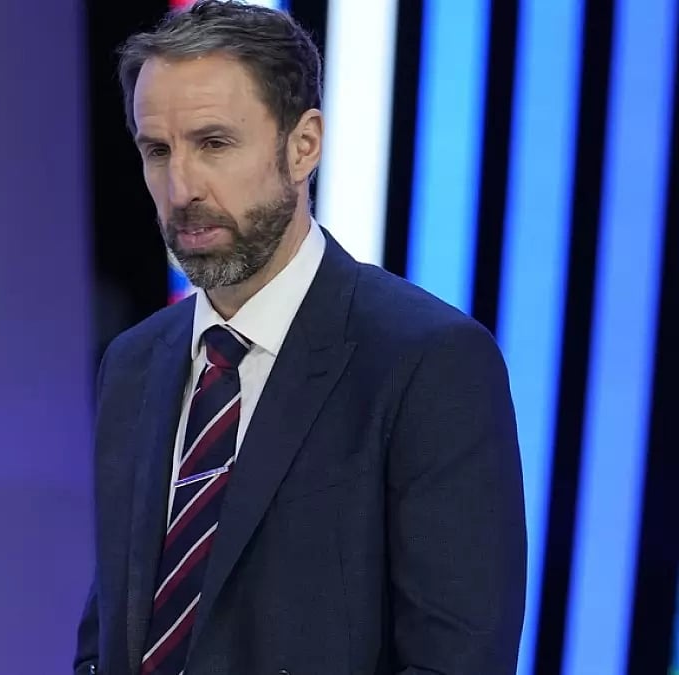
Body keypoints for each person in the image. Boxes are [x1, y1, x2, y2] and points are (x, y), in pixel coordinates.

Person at [72, 2, 528, 674]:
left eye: (215, 143)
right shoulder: (134, 363)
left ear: (303, 144)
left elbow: (455, 659)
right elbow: (110, 633)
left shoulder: (426, 361)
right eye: (157, 150)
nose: (182, 185)